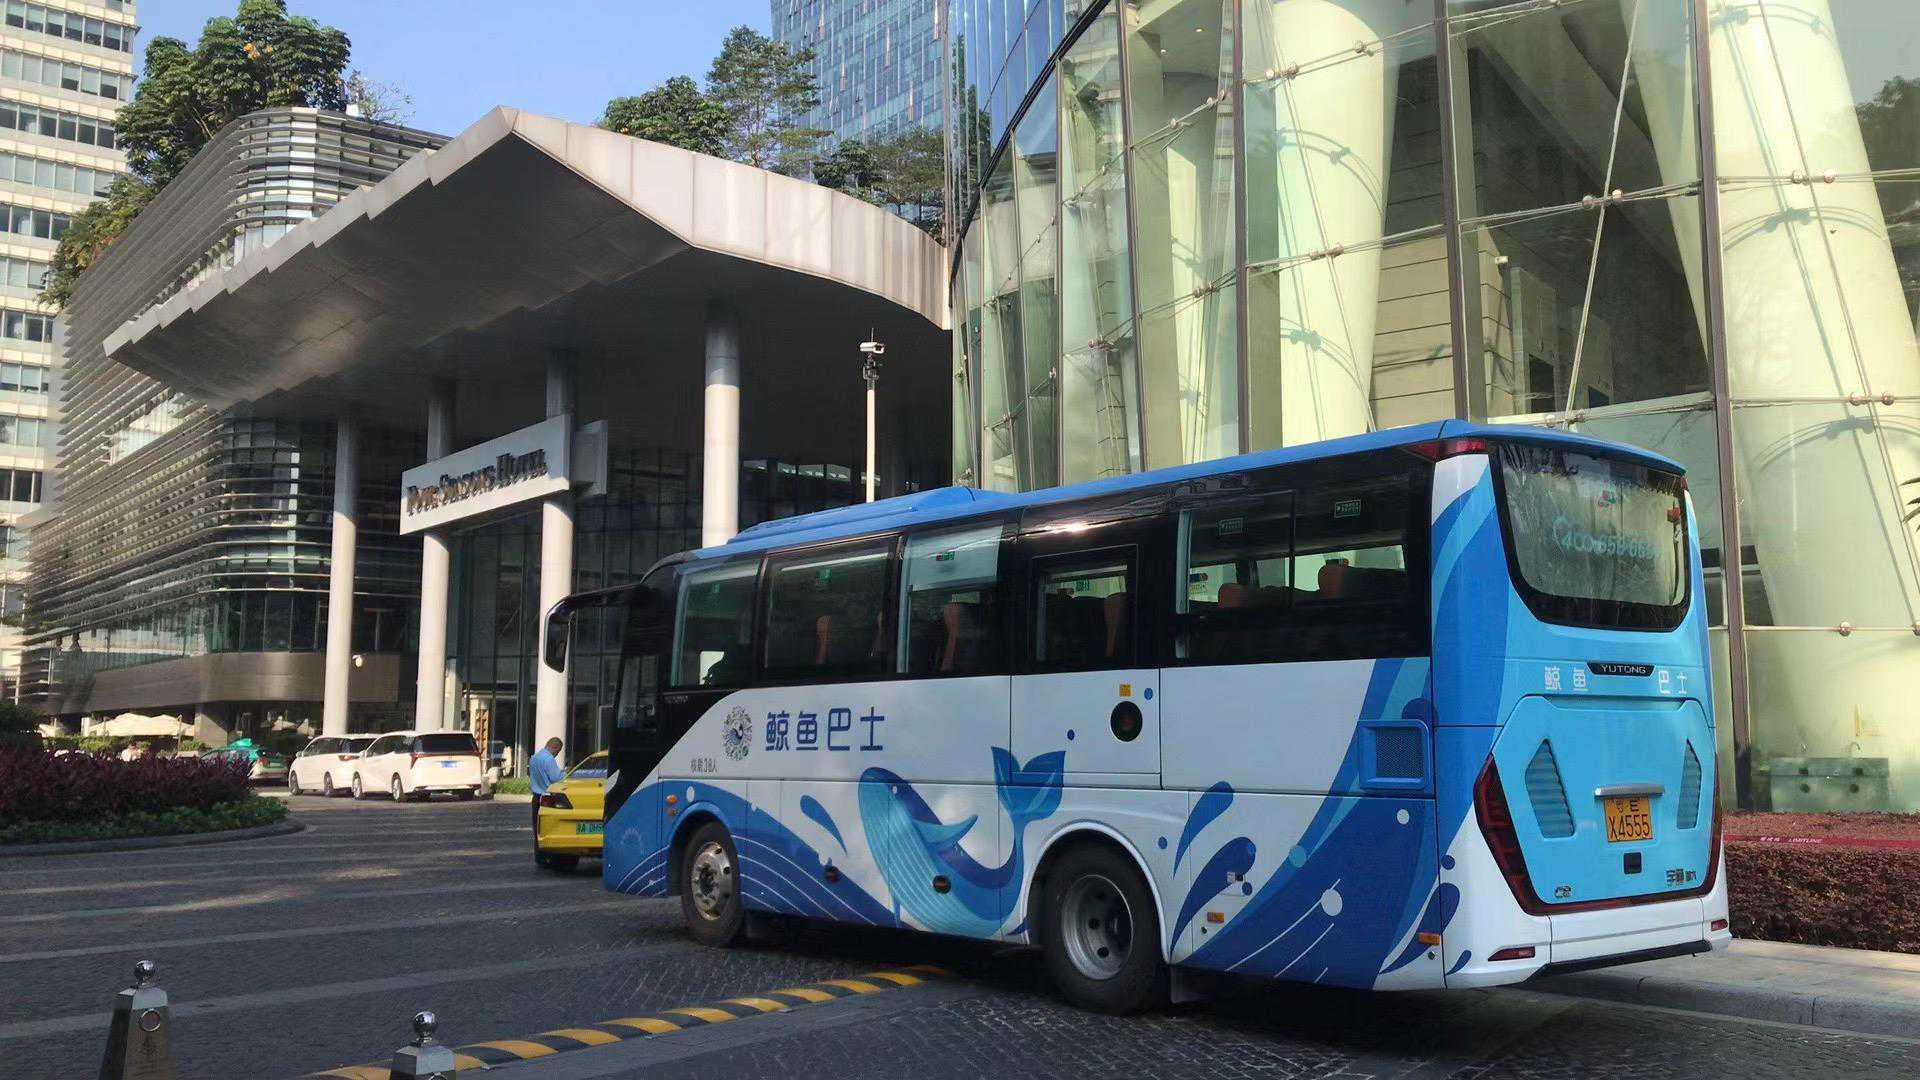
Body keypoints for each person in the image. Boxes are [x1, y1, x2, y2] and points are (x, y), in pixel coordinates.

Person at [528, 737, 564, 835]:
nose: (557, 754)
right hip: (547, 798)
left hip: (535, 797)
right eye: (558, 752)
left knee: (537, 828)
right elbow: (556, 778)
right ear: (555, 747)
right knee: (547, 829)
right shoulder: (549, 759)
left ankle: (537, 845)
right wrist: (566, 774)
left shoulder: (534, 758)